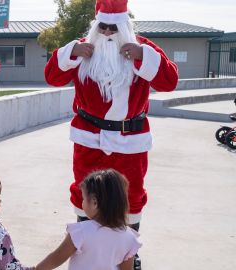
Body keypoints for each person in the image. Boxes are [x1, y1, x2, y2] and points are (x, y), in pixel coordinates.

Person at [44, 0, 178, 268]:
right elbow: (52, 76)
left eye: (113, 27)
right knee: (84, 192)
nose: (107, 33)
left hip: (130, 141)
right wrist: (71, 52)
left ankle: (128, 252)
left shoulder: (143, 47)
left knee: (132, 196)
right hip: (88, 139)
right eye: (102, 26)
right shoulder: (83, 47)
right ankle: (85, 244)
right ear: (96, 25)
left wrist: (143, 56)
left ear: (125, 25)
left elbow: (169, 82)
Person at [35, 169, 142, 270]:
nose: (82, 203)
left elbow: (57, 257)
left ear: (95, 203)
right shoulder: (129, 238)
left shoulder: (81, 231)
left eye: (84, 199)